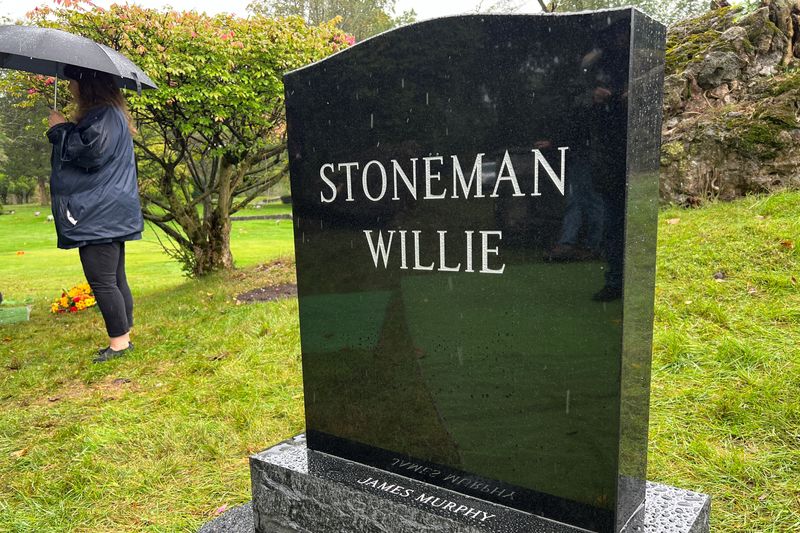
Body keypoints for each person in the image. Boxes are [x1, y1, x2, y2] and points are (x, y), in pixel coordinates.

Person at [46, 65, 143, 363]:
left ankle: (119, 344)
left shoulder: (103, 116)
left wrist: (59, 129)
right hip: (108, 210)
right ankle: (123, 336)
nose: (71, 87)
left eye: (73, 81)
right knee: (113, 277)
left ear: (88, 86)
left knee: (102, 280)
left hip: (98, 212)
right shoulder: (109, 115)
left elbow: (90, 153)